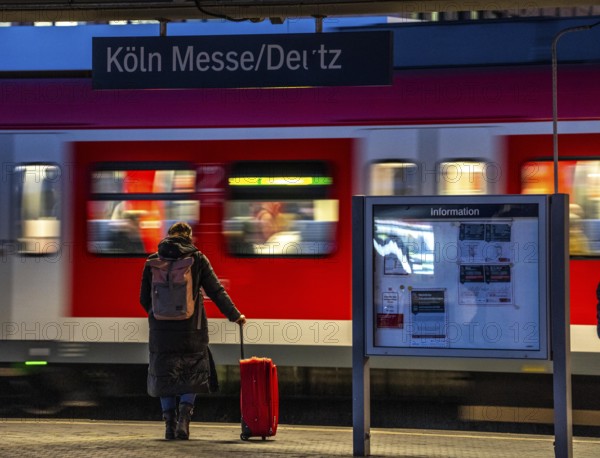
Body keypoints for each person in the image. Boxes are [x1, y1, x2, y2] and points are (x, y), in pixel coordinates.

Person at [140, 221, 246, 440]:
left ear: (168, 236)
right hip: (192, 329)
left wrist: (159, 315)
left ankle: (168, 424)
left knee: (164, 374)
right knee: (193, 372)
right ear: (189, 237)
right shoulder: (197, 259)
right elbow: (216, 291)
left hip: (161, 331)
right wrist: (235, 316)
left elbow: (144, 299)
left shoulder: (152, 261)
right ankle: (184, 421)